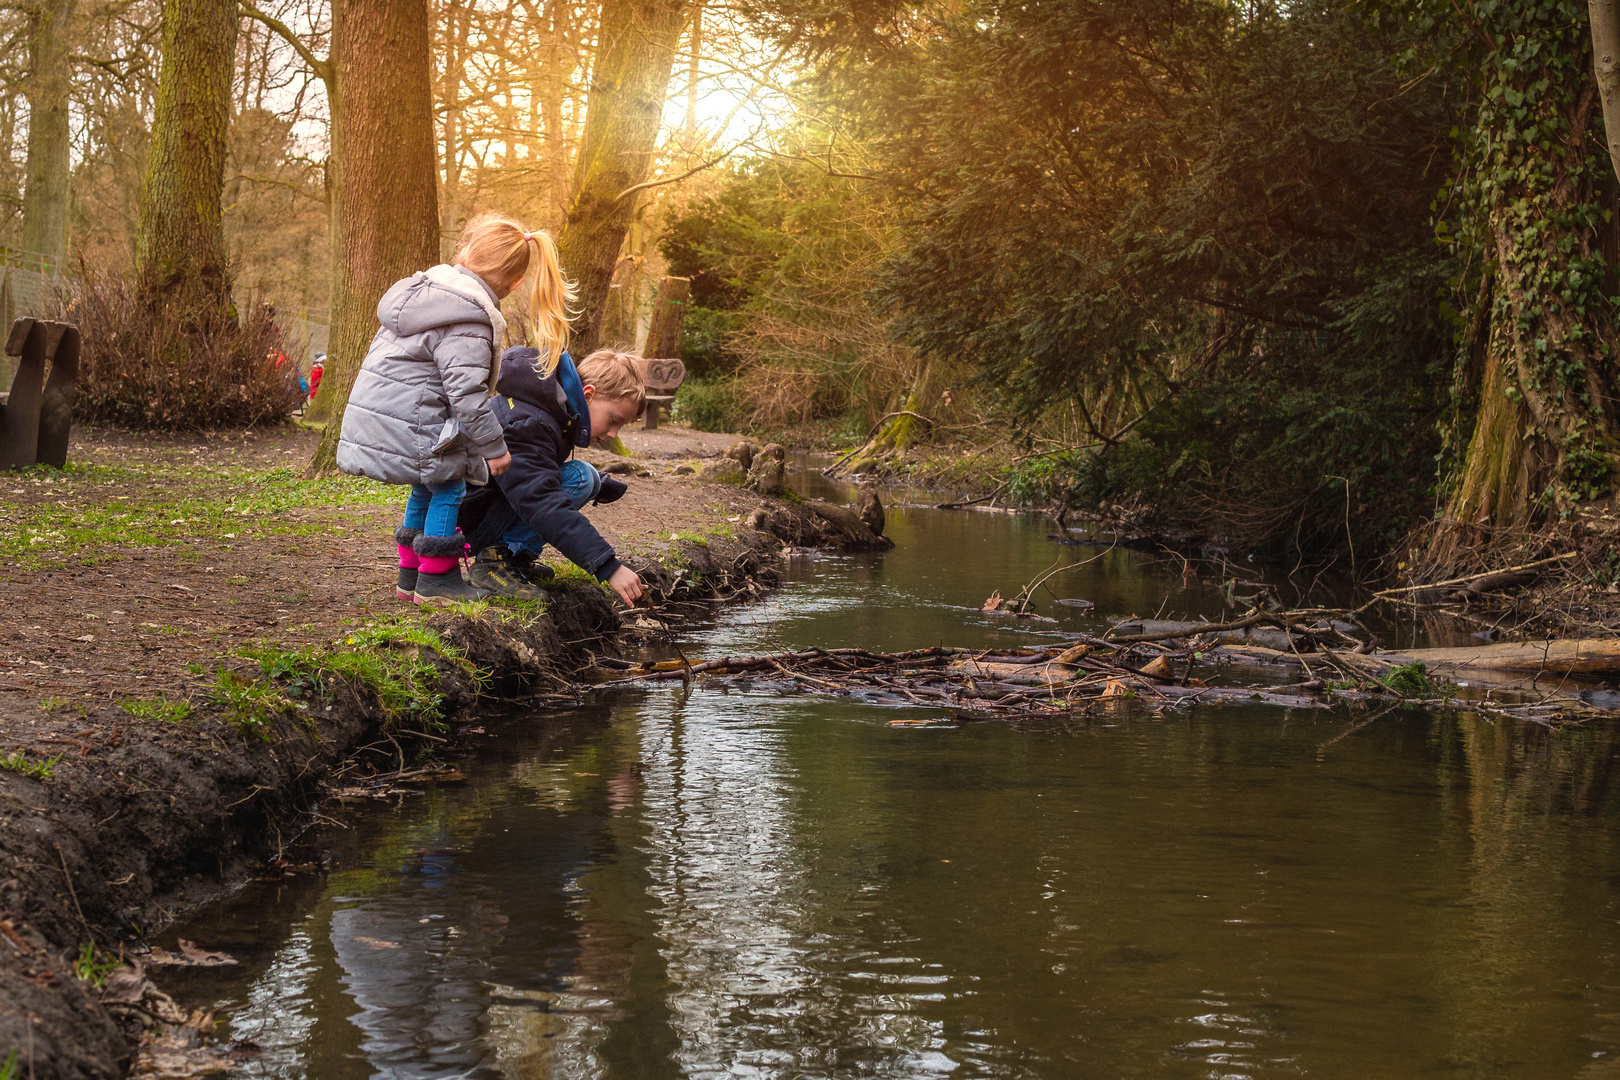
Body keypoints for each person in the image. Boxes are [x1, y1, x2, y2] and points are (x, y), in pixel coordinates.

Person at [334, 213, 574, 606]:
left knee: (424, 487)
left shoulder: (422, 294)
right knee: (449, 486)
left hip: (387, 415)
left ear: (465, 253)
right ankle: (437, 579)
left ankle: (410, 574)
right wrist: (495, 449)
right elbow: (467, 395)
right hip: (415, 419)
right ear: (513, 284)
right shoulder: (469, 318)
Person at [456, 347, 646, 607]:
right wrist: (608, 566)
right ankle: (494, 562)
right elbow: (541, 501)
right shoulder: (528, 422)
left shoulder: (548, 411)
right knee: (580, 477)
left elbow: (534, 473)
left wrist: (600, 483)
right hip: (469, 521)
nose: (613, 434)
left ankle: (514, 558)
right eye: (614, 420)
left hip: (487, 507)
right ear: (588, 395)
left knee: (587, 476)